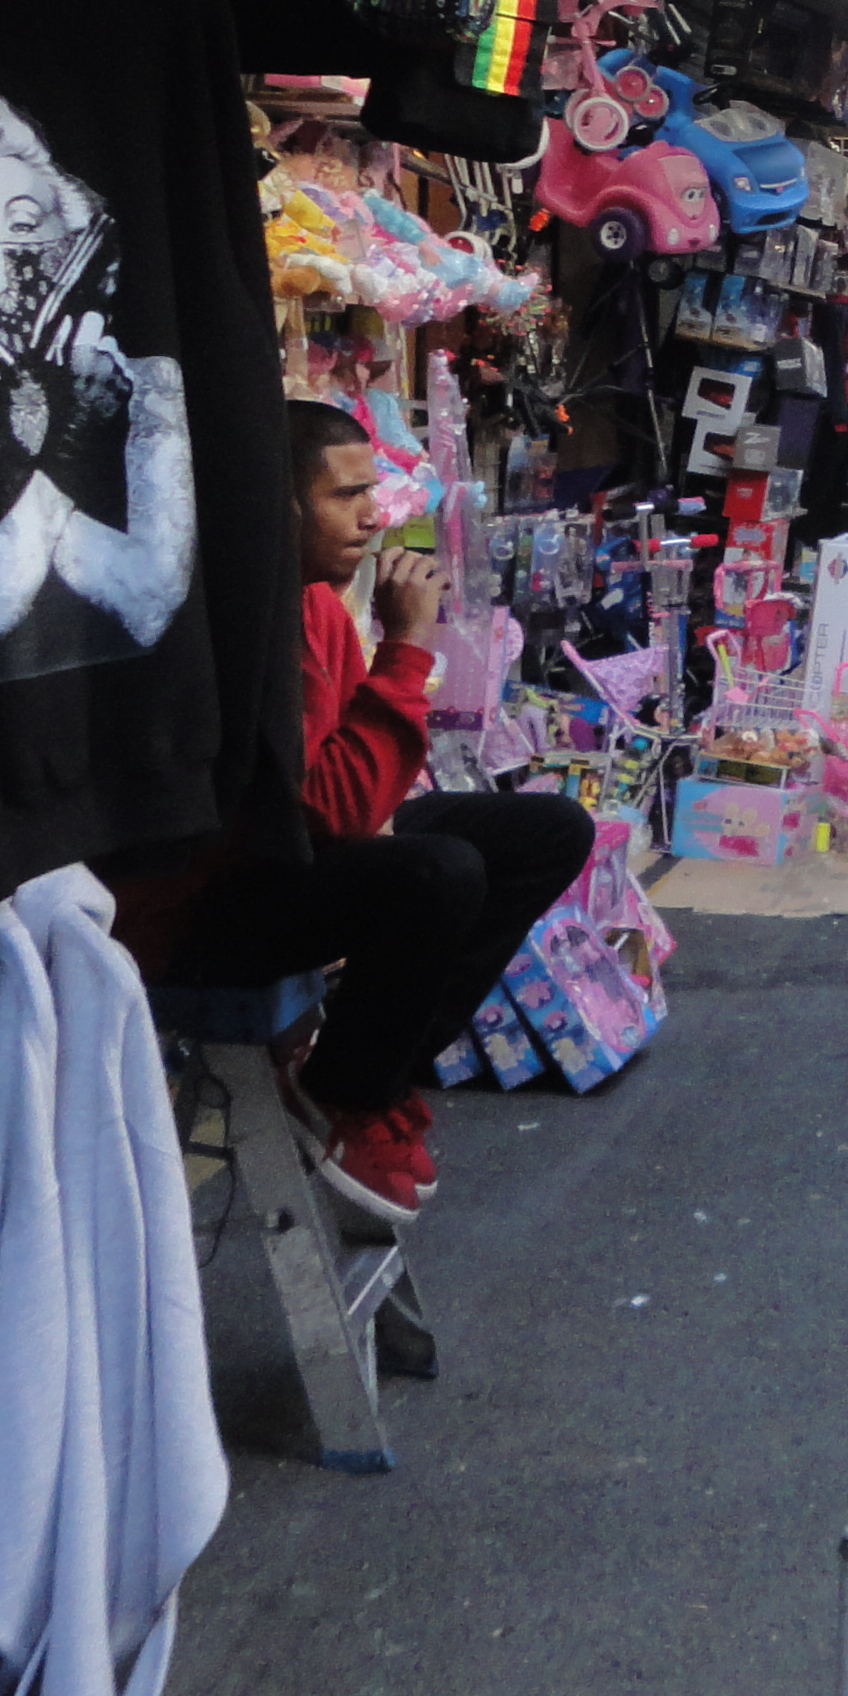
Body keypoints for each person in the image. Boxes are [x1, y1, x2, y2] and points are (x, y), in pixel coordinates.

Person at [123, 405, 593, 1224]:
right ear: (279, 507)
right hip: (197, 912)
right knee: (438, 873)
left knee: (550, 831)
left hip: (284, 858)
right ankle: (349, 1090)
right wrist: (406, 650)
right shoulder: (241, 625)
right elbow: (332, 810)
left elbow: (356, 800)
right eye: (347, 496)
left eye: (372, 491)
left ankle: (368, 1071)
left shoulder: (312, 603)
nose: (373, 516)